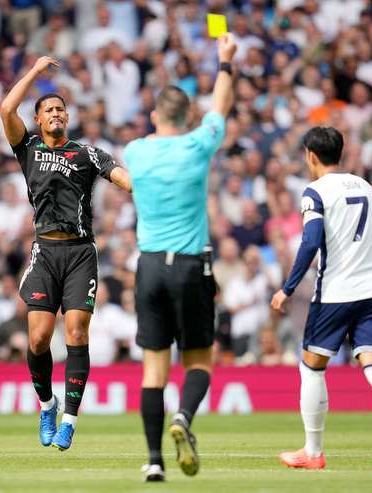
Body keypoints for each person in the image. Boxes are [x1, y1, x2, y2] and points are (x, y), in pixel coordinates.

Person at [0, 55, 132, 452]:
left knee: (76, 333)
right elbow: (7, 108)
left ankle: (69, 421)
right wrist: (37, 72)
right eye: (49, 110)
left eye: (61, 109)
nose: (56, 113)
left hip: (79, 254)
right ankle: (46, 405)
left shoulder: (87, 153)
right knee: (39, 339)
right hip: (45, 252)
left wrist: (146, 187)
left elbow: (121, 177)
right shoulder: (28, 146)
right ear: (38, 120)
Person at [123, 33, 237, 482]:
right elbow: (220, 106)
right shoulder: (198, 144)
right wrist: (224, 61)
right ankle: (183, 418)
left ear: (154, 116)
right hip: (191, 264)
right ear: (189, 116)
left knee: (154, 370)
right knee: (199, 362)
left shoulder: (136, 151)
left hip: (149, 265)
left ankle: (154, 461)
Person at [270, 127, 372, 472]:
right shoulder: (366, 187)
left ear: (310, 155)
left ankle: (313, 452)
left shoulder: (314, 192)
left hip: (334, 294)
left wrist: (287, 288)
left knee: (311, 368)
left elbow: (310, 242)